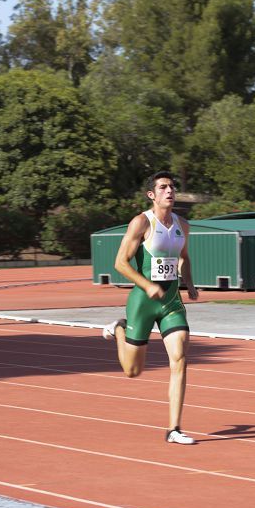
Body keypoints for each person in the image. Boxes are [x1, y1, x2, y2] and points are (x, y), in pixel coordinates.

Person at [102, 171, 199, 445]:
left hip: (170, 301)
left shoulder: (183, 224)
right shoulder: (142, 222)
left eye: (172, 187)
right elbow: (120, 263)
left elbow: (184, 257)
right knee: (133, 371)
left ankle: (174, 429)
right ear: (151, 195)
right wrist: (146, 285)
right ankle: (120, 329)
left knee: (179, 358)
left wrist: (189, 283)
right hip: (143, 302)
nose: (170, 191)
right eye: (163, 187)